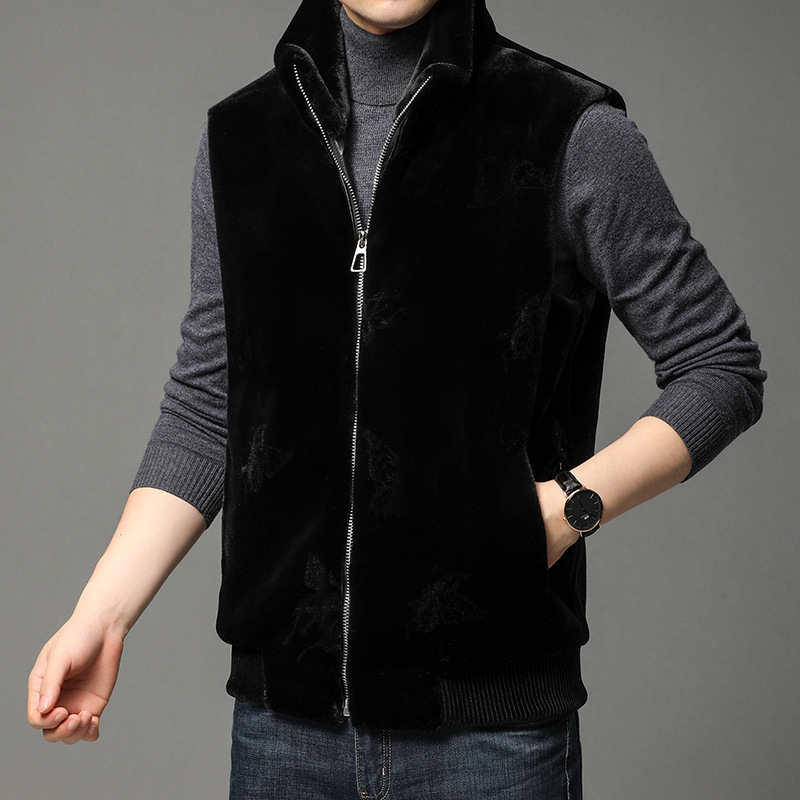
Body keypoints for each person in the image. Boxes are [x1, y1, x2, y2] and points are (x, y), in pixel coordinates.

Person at [27, 0, 765, 796]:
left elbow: (719, 363)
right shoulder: (242, 138)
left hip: (489, 740)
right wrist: (102, 615)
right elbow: (211, 406)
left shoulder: (566, 127)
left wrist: (565, 510)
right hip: (283, 737)